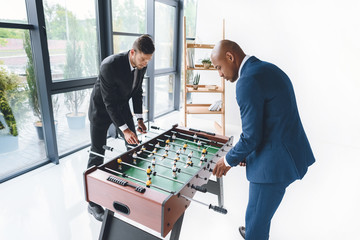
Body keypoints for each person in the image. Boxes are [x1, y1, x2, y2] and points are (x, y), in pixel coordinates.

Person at [211, 40, 315, 240]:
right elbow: (271, 121)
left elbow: (251, 137)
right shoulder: (268, 68)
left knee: (257, 221)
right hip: (291, 152)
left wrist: (227, 161)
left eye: (219, 67)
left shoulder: (247, 81)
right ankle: (252, 230)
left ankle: (254, 233)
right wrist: (246, 154)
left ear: (230, 57)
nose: (220, 74)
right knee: (256, 215)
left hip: (274, 166)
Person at [87, 35, 155, 221]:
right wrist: (125, 129)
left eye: (148, 60)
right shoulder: (109, 65)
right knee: (97, 153)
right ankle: (92, 203)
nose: (145, 64)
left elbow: (137, 91)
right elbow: (109, 103)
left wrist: (140, 119)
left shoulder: (142, 64)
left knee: (133, 147)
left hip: (122, 109)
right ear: (132, 52)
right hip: (101, 111)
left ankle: (133, 190)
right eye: (142, 59)